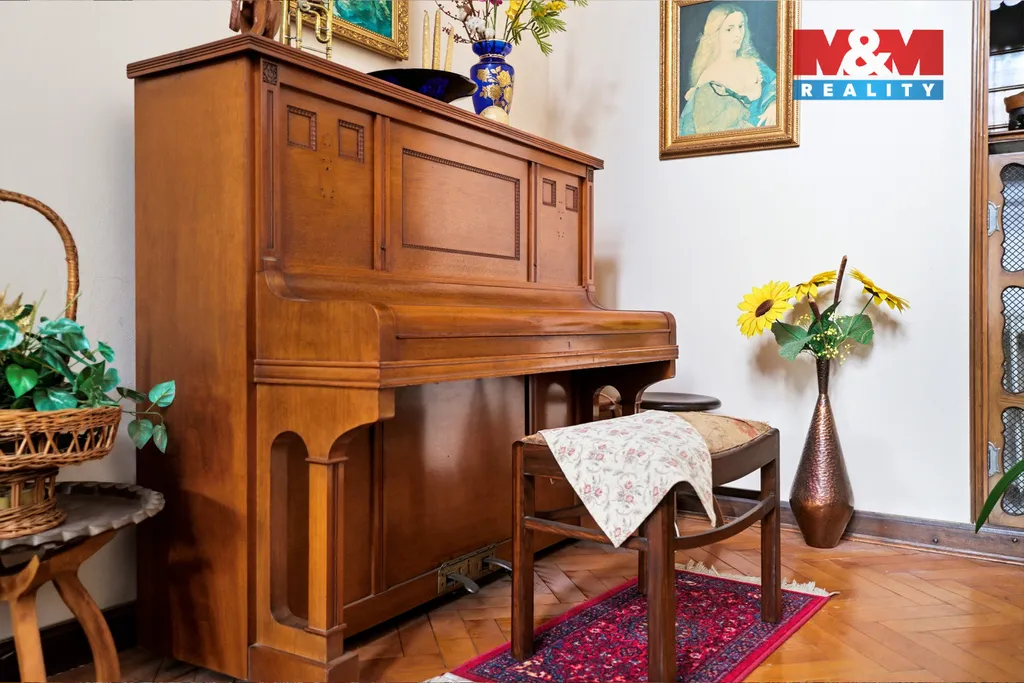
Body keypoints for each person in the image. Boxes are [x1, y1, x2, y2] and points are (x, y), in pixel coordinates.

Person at [679, 4, 776, 135]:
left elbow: (779, 85)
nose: (738, 34)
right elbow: (701, 128)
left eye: (740, 27)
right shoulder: (708, 78)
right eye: (729, 29)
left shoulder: (754, 64)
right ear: (715, 34)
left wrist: (773, 105)